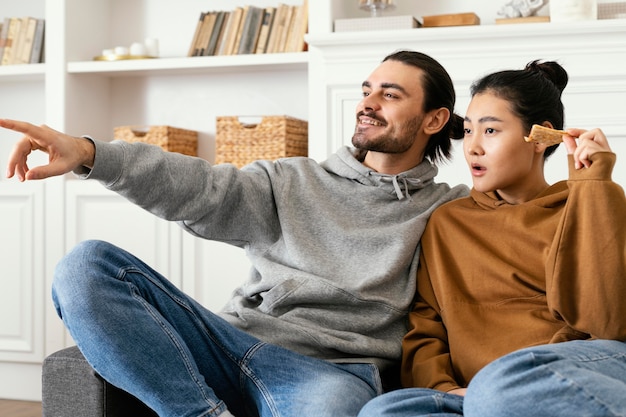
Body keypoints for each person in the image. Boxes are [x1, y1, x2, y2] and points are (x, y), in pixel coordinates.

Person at [1, 50, 469, 417]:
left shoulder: (448, 210)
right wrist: (88, 152)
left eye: (390, 95)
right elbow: (201, 187)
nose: (367, 103)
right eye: (367, 90)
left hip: (329, 371)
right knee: (85, 265)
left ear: (434, 120)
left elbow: (522, 216)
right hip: (228, 341)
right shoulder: (292, 179)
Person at [357, 60, 626, 417]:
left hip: (563, 371)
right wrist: (446, 389)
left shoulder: (588, 203)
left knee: (501, 388)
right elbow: (427, 326)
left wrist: (594, 185)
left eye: (491, 131)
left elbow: (607, 325)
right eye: (468, 131)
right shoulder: (448, 222)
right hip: (473, 395)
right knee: (383, 411)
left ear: (540, 136)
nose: (473, 148)